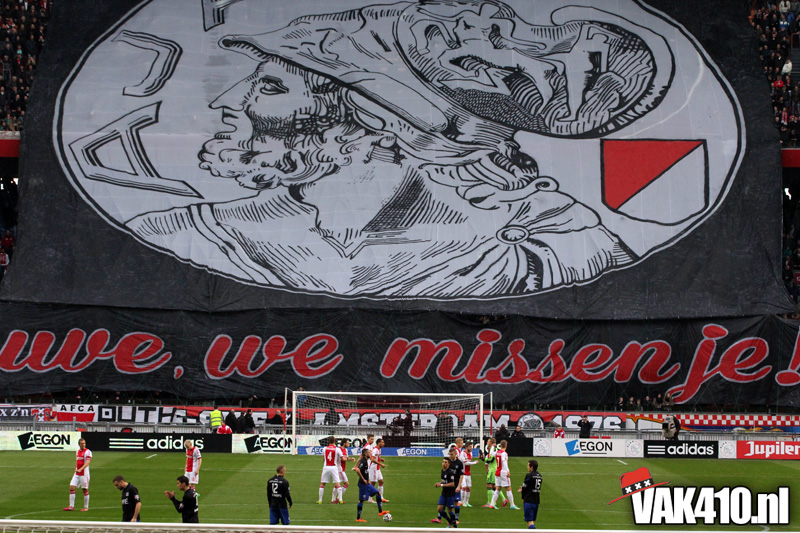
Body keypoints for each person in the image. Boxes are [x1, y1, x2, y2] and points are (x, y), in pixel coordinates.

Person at [124, 0, 667, 299]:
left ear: (379, 122)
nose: (226, 100)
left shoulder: (550, 247)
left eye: (269, 86)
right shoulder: (180, 233)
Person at [354, 448, 389, 522]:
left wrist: (368, 479)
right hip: (363, 484)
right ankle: (358, 518)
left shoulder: (366, 461)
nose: (371, 454)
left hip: (367, 483)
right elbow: (357, 470)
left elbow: (365, 472)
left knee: (378, 493)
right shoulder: (363, 461)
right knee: (361, 500)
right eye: (369, 453)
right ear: (366, 454)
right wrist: (363, 479)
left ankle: (380, 511)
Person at [63, 438, 92, 511]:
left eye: (84, 443)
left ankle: (86, 507)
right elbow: (78, 462)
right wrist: (75, 471)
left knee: (84, 489)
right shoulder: (77, 452)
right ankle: (71, 506)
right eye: (82, 443)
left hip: (84, 474)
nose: (83, 445)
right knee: (72, 487)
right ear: (79, 444)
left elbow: (87, 462)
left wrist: (80, 469)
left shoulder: (88, 452)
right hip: (77, 473)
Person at [489, 440, 518, 509]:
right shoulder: (504, 453)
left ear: (500, 445)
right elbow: (504, 462)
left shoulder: (497, 452)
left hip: (497, 472)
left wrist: (492, 447)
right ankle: (512, 505)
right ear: (506, 446)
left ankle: (492, 504)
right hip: (503, 472)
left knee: (498, 488)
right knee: (508, 488)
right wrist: (508, 471)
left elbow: (491, 453)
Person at [431, 457, 458, 527]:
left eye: (445, 462)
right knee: (439, 509)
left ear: (449, 464)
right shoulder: (442, 471)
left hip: (450, 494)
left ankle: (455, 526)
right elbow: (444, 481)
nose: (444, 463)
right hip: (444, 493)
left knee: (450, 510)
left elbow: (452, 484)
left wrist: (442, 485)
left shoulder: (450, 472)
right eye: (443, 462)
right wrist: (439, 483)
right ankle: (450, 521)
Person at [481, 437, 507, 508]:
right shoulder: (492, 450)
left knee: (489, 486)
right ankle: (503, 499)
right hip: (494, 469)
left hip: (493, 470)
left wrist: (483, 459)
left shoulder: (494, 450)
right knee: (495, 487)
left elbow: (491, 459)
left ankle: (490, 503)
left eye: (488, 441)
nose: (487, 442)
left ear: (491, 443)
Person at [518, 460, 542, 529]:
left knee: (529, 521)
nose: (527, 467)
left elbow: (525, 487)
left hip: (529, 500)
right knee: (532, 521)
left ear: (531, 467)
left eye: (528, 465)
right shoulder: (540, 476)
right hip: (536, 501)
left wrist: (523, 497)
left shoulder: (529, 475)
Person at [318, 435, 342, 504]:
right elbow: (341, 458)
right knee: (338, 484)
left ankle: (320, 500)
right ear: (335, 441)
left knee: (322, 484)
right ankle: (340, 500)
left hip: (326, 467)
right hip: (334, 467)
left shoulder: (324, 449)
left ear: (328, 441)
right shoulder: (337, 449)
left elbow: (323, 459)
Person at [447, 447, 464, 523]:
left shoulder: (459, 463)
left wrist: (459, 486)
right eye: (450, 454)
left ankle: (456, 518)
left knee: (456, 502)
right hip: (448, 485)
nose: (450, 456)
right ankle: (444, 518)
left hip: (456, 485)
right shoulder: (448, 462)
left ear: (456, 454)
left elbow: (461, 475)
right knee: (447, 501)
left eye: (452, 454)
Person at [333, 438, 354, 504]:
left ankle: (334, 499)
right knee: (346, 483)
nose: (349, 444)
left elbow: (346, 458)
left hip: (341, 469)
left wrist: (350, 458)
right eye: (348, 443)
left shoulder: (346, 450)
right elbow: (343, 459)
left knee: (337, 484)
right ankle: (338, 498)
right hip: (340, 469)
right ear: (344, 443)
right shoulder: (339, 449)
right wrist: (350, 459)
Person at [459, 441, 479, 508]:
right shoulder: (462, 454)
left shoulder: (470, 453)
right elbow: (465, 463)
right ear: (466, 447)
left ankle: (466, 502)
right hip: (462, 473)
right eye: (470, 447)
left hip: (468, 473)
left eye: (472, 446)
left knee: (468, 487)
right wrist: (474, 463)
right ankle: (461, 501)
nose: (471, 448)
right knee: (464, 487)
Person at [369, 437, 388, 502]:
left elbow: (375, 457)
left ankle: (381, 498)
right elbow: (372, 459)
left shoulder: (379, 449)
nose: (383, 443)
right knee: (373, 484)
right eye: (382, 442)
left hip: (377, 468)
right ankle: (369, 498)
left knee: (381, 481)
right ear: (379, 443)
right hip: (373, 468)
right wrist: (381, 464)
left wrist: (380, 459)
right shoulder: (375, 450)